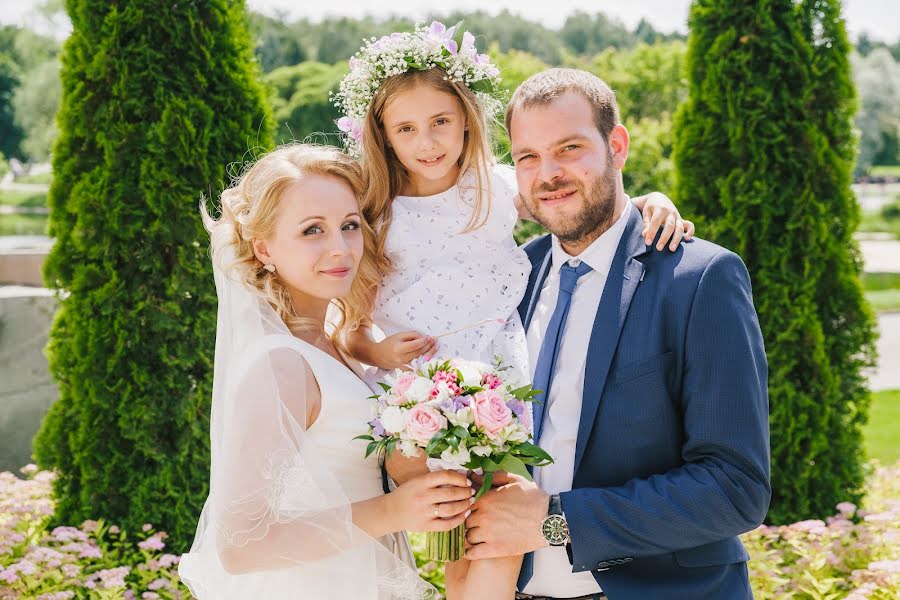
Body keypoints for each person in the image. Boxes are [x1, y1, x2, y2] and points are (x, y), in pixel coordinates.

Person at [333, 23, 696, 600]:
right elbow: (348, 328)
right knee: (448, 522)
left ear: (466, 119)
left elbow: (576, 201)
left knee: (502, 522)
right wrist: (378, 350)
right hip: (417, 391)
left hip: (495, 380)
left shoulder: (495, 187)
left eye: (440, 122)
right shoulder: (375, 214)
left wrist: (653, 199)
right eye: (406, 129)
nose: (427, 142)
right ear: (383, 135)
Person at [460, 68, 771, 600]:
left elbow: (735, 488)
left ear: (617, 146)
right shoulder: (509, 279)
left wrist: (555, 522)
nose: (548, 173)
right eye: (528, 157)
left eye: (570, 148)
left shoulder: (699, 279)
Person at [177, 144, 474, 599]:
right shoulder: (279, 363)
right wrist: (394, 511)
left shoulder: (336, 341)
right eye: (312, 230)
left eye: (349, 226)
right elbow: (240, 545)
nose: (340, 248)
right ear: (263, 249)